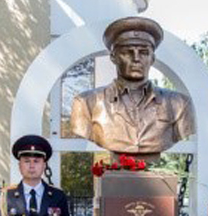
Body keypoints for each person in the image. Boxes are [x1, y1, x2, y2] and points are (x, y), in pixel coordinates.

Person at [70, 16, 195, 159]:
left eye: (143, 52)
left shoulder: (179, 105)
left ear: (152, 58)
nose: (136, 58)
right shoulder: (86, 103)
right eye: (127, 52)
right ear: (113, 57)